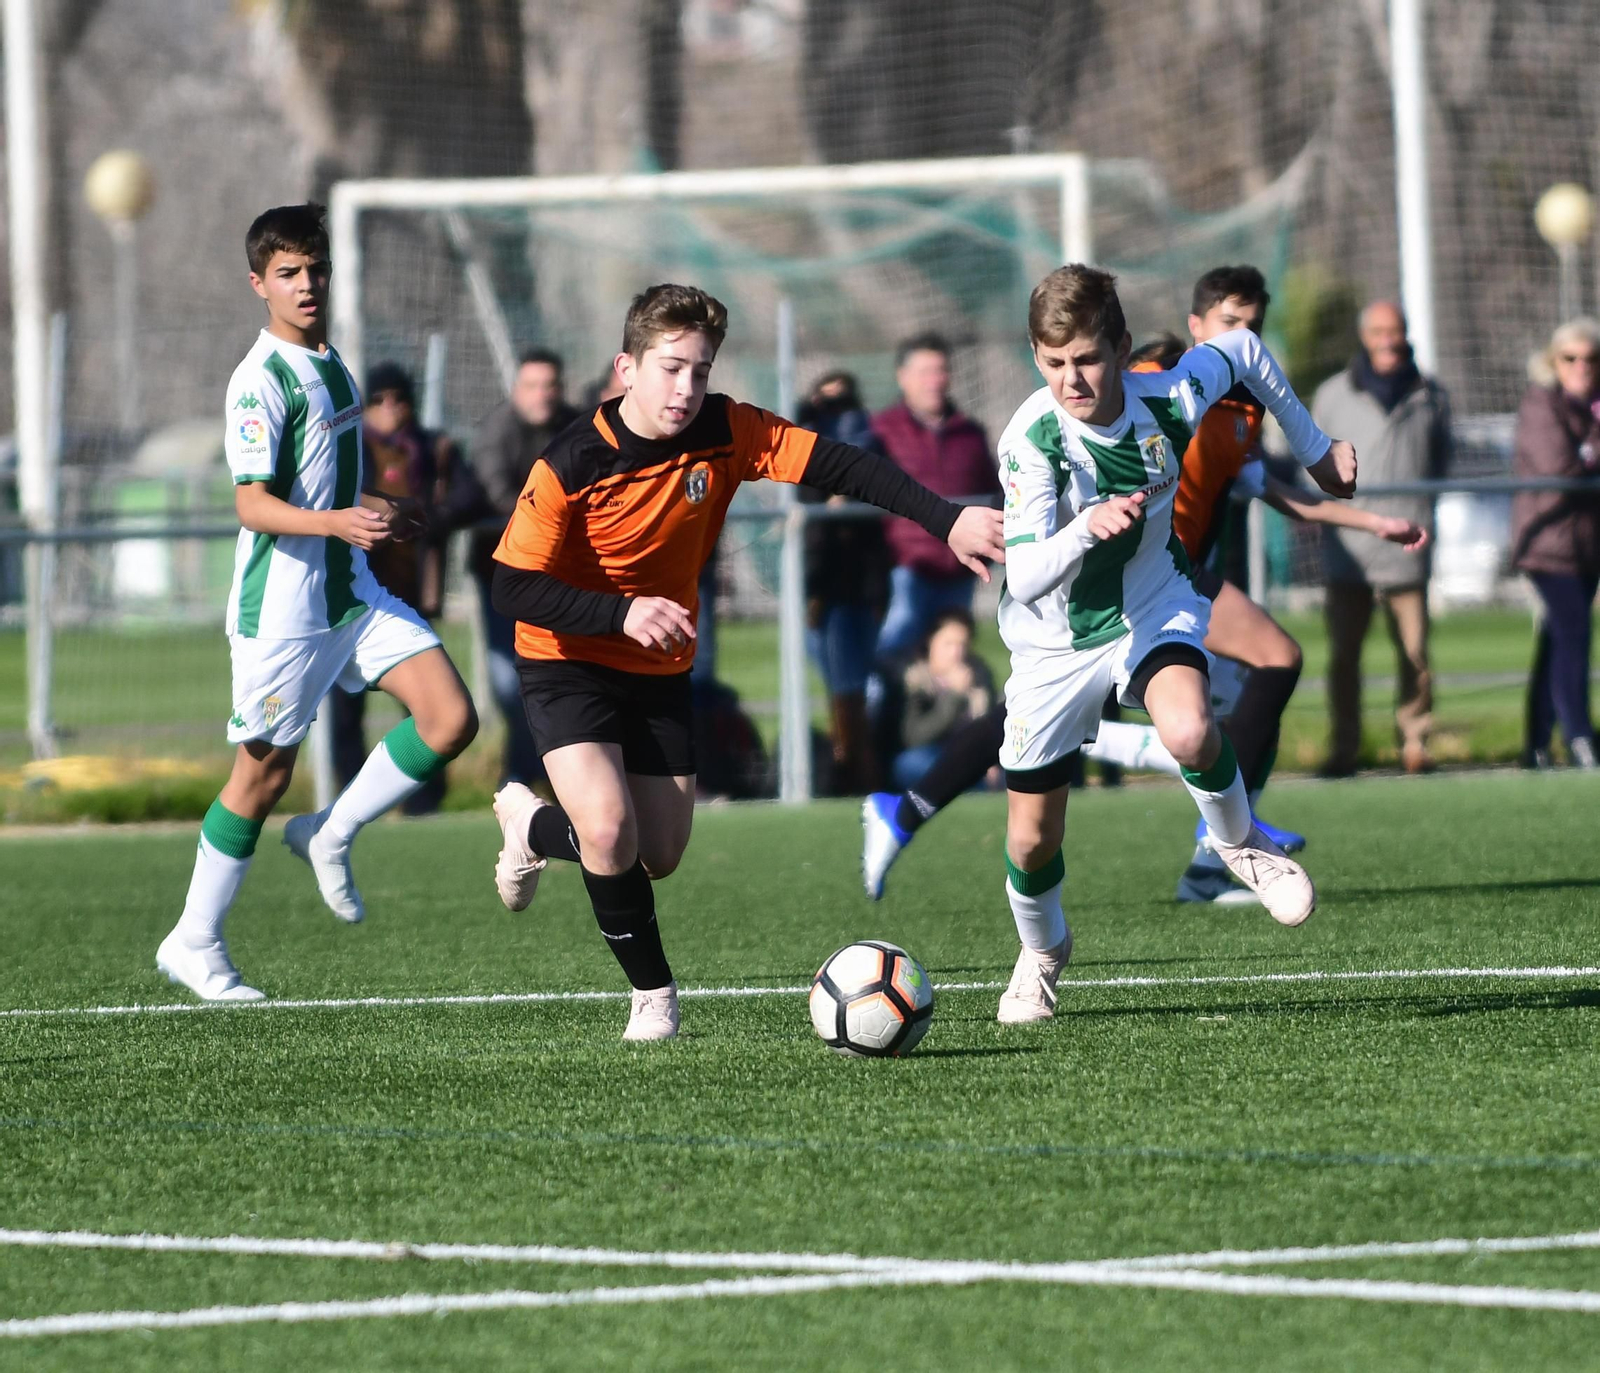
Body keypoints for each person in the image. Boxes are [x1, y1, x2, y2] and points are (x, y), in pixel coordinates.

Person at [485, 284, 1005, 1041]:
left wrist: (948, 517)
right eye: (670, 368)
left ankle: (532, 829)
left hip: (659, 663)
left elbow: (845, 466)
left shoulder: (728, 429)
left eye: (700, 370)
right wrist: (620, 611)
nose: (686, 387)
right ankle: (654, 997)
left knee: (656, 853)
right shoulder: (571, 461)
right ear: (627, 368)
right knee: (607, 831)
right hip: (567, 657)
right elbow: (511, 585)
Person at [860, 267, 1421, 907]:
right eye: (1228, 322)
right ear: (1194, 327)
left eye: (1253, 323)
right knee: (1033, 817)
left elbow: (1268, 454)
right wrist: (1081, 527)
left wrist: (1334, 471)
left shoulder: (1222, 405)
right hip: (1069, 604)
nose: (1240, 334)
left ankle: (1228, 844)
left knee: (1229, 694)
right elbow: (1036, 562)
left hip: (1157, 579)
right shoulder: (1142, 380)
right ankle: (971, 865)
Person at [989, 263, 1356, 1023]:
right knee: (1030, 842)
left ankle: (1238, 841)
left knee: (1190, 728)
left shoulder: (1173, 395)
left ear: (1123, 349)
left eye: (1087, 358)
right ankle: (1044, 951)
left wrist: (1317, 451)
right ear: (1035, 356)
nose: (1072, 379)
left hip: (1154, 605)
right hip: (1053, 645)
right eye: (1053, 363)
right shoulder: (1033, 437)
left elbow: (1247, 348)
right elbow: (1023, 575)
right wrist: (1085, 527)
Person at [155, 204, 478, 1002]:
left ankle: (330, 832)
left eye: (316, 270)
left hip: (350, 592)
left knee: (449, 717)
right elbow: (255, 504)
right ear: (258, 283)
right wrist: (337, 520)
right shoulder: (258, 380)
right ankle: (192, 941)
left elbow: (320, 484)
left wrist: (380, 506)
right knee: (260, 778)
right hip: (286, 612)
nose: (306, 286)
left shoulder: (332, 362)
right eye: (288, 274)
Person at [1314, 301, 1453, 775]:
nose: (1387, 339)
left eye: (1394, 331)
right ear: (1364, 335)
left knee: (1415, 653)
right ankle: (1344, 747)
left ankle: (1416, 743)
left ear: (1406, 333)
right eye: (1378, 331)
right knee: (1344, 656)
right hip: (1348, 549)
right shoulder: (1333, 394)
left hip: (1408, 546)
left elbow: (1440, 461)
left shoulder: (1431, 394)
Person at [329, 360, 460, 813]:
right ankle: (351, 799)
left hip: (407, 591)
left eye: (399, 399)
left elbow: (460, 497)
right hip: (355, 593)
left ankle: (424, 799)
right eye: (379, 399)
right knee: (345, 704)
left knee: (430, 702)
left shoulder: (432, 448)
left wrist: (424, 518)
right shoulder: (351, 447)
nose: (390, 409)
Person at [468, 348, 580, 785]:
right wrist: (558, 515)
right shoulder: (496, 432)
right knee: (506, 682)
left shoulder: (575, 425)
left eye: (549, 386)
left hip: (560, 577)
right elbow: (498, 494)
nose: (542, 396)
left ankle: (544, 779)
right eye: (532, 386)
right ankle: (520, 777)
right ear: (517, 389)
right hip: (504, 575)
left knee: (564, 679)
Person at [871, 333, 1000, 661]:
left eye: (941, 370)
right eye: (926, 371)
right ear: (903, 377)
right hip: (907, 568)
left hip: (959, 569)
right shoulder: (882, 430)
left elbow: (993, 491)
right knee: (894, 648)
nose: (935, 381)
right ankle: (879, 711)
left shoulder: (970, 434)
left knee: (951, 657)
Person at [1512, 317, 1600, 769]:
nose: (1582, 366)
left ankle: (1537, 743)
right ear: (1554, 362)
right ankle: (1580, 735)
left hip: (1586, 547)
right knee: (1573, 636)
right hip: (1548, 544)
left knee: (1556, 642)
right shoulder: (1541, 404)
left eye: (1591, 358)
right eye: (1571, 358)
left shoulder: (1593, 408)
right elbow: (1559, 468)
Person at [798, 371, 891, 791]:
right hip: (826, 590)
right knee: (842, 686)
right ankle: (850, 766)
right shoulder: (806, 450)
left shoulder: (870, 446)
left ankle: (857, 767)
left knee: (852, 687)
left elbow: (876, 532)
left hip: (858, 588)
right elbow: (809, 513)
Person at [894, 607, 995, 790]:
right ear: (930, 642)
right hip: (931, 754)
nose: (956, 653)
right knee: (909, 764)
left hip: (970, 755)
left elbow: (990, 727)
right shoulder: (917, 679)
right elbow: (915, 737)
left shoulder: (979, 676)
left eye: (962, 645)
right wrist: (954, 696)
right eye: (948, 644)